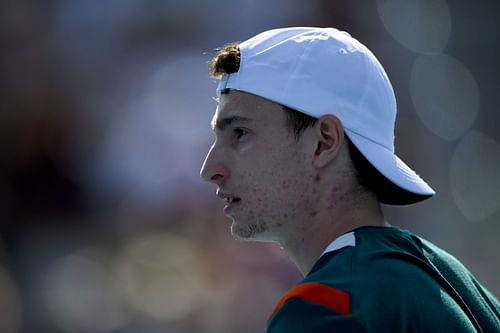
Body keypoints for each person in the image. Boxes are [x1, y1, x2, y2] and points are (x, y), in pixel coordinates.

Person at [200, 27, 500, 332]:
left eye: (240, 133)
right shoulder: (461, 286)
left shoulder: (328, 308)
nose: (210, 169)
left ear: (324, 142)